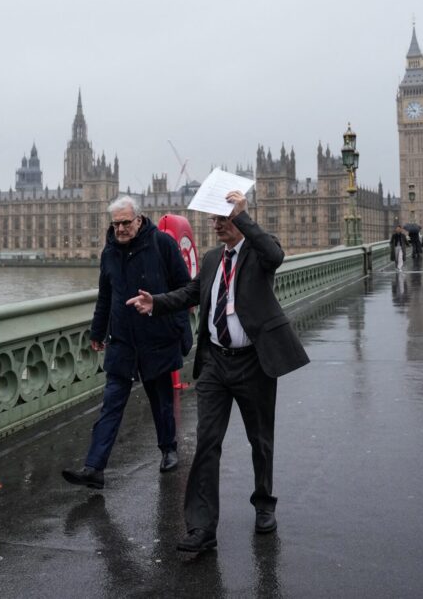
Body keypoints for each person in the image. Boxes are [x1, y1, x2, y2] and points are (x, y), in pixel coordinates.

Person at [126, 190, 310, 553]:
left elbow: (276, 254)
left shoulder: (259, 253)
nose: (216, 225)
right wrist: (156, 303)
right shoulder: (211, 260)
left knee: (260, 440)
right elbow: (191, 293)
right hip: (215, 363)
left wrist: (241, 214)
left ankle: (263, 504)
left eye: (222, 219)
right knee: (207, 443)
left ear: (239, 220)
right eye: (214, 220)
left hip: (254, 362)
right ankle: (202, 526)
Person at [61, 196, 191, 490]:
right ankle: (94, 468)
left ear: (139, 220)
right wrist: (97, 332)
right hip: (122, 341)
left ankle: (168, 449)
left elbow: (185, 289)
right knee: (111, 404)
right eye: (115, 223)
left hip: (157, 337)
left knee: (161, 400)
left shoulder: (162, 245)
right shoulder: (109, 253)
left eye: (125, 223)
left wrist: (169, 318)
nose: (120, 229)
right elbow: (105, 296)